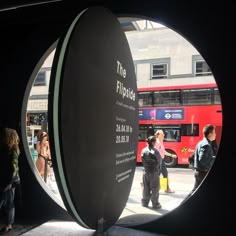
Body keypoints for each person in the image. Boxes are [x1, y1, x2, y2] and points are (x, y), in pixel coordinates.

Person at [0, 128, 20, 233]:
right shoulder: (11, 148)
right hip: (10, 180)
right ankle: (9, 224)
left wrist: (9, 182)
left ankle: (9, 224)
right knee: (9, 203)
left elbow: (13, 168)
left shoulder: (11, 150)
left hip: (9, 181)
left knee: (6, 202)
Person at [191, 124, 216, 192]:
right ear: (210, 134)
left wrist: (212, 157)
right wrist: (213, 160)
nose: (215, 134)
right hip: (203, 173)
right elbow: (202, 159)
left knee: (194, 192)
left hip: (199, 172)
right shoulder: (206, 145)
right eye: (214, 132)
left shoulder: (201, 143)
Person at [141, 135, 162, 209]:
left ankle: (145, 203)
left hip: (145, 172)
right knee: (155, 188)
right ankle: (155, 204)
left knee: (146, 188)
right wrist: (158, 172)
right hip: (154, 173)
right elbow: (159, 162)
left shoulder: (143, 150)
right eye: (155, 142)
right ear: (153, 142)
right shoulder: (155, 151)